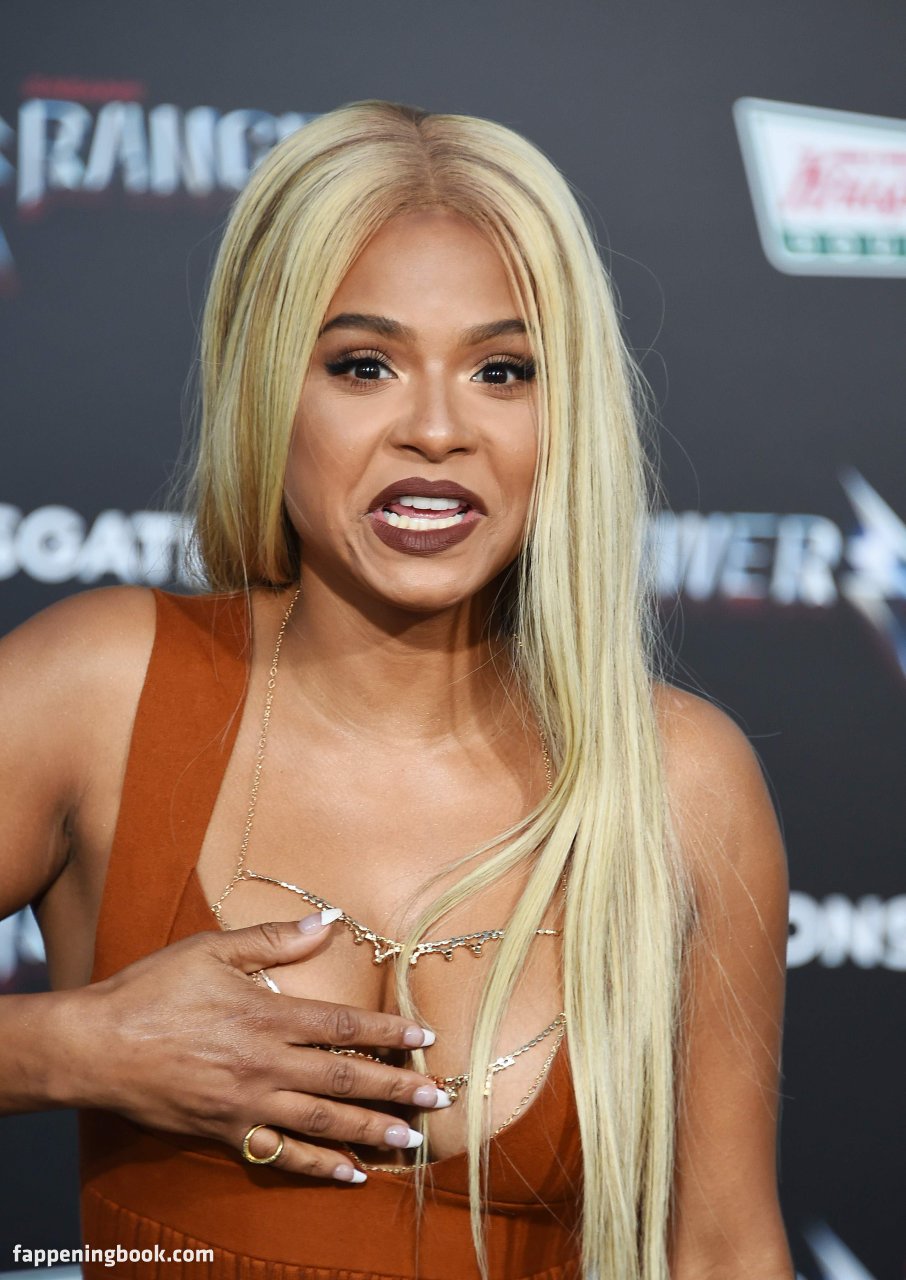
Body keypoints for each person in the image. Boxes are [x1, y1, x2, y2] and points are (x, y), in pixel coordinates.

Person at [0, 101, 793, 1279]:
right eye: (363, 364)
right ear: (270, 385)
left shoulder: (680, 779)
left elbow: (725, 1248)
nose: (435, 428)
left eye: (502, 369)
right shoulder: (101, 689)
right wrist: (79, 1046)